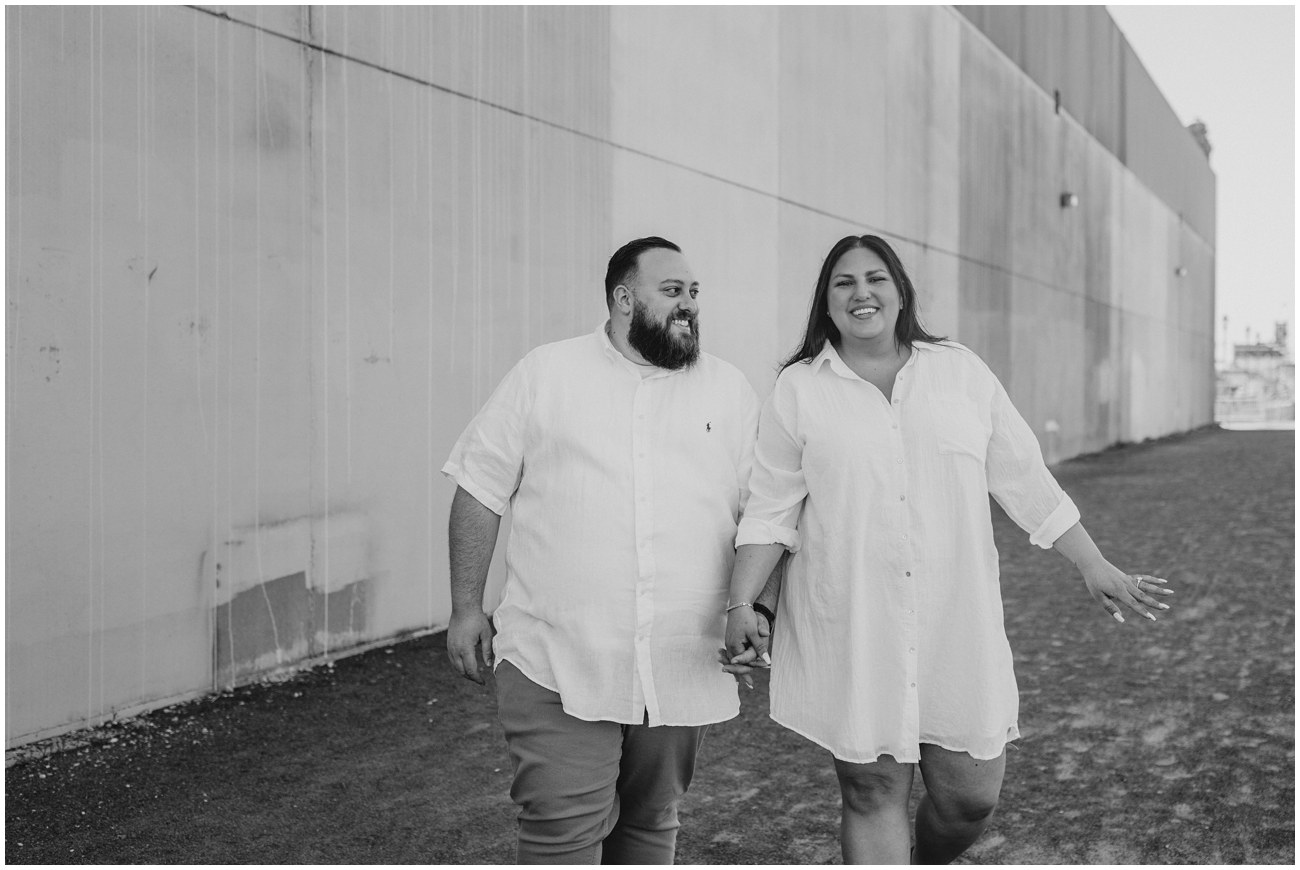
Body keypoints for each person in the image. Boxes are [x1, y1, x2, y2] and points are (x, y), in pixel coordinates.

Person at [721, 234, 1174, 864]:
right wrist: (742, 603)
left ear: (900, 292)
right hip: (855, 624)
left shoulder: (959, 371)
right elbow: (771, 510)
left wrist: (1090, 561)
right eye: (844, 282)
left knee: (970, 800)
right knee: (871, 791)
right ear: (826, 302)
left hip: (958, 626)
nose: (861, 293)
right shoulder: (799, 389)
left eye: (875, 279)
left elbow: (1023, 476)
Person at [443, 237, 769, 864]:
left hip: (681, 657)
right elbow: (479, 488)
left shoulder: (729, 390)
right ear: (623, 299)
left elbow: (764, 515)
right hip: (557, 655)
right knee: (561, 832)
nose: (689, 304)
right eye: (671, 291)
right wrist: (465, 607)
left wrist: (757, 608)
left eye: (693, 292)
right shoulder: (546, 373)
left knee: (649, 824)